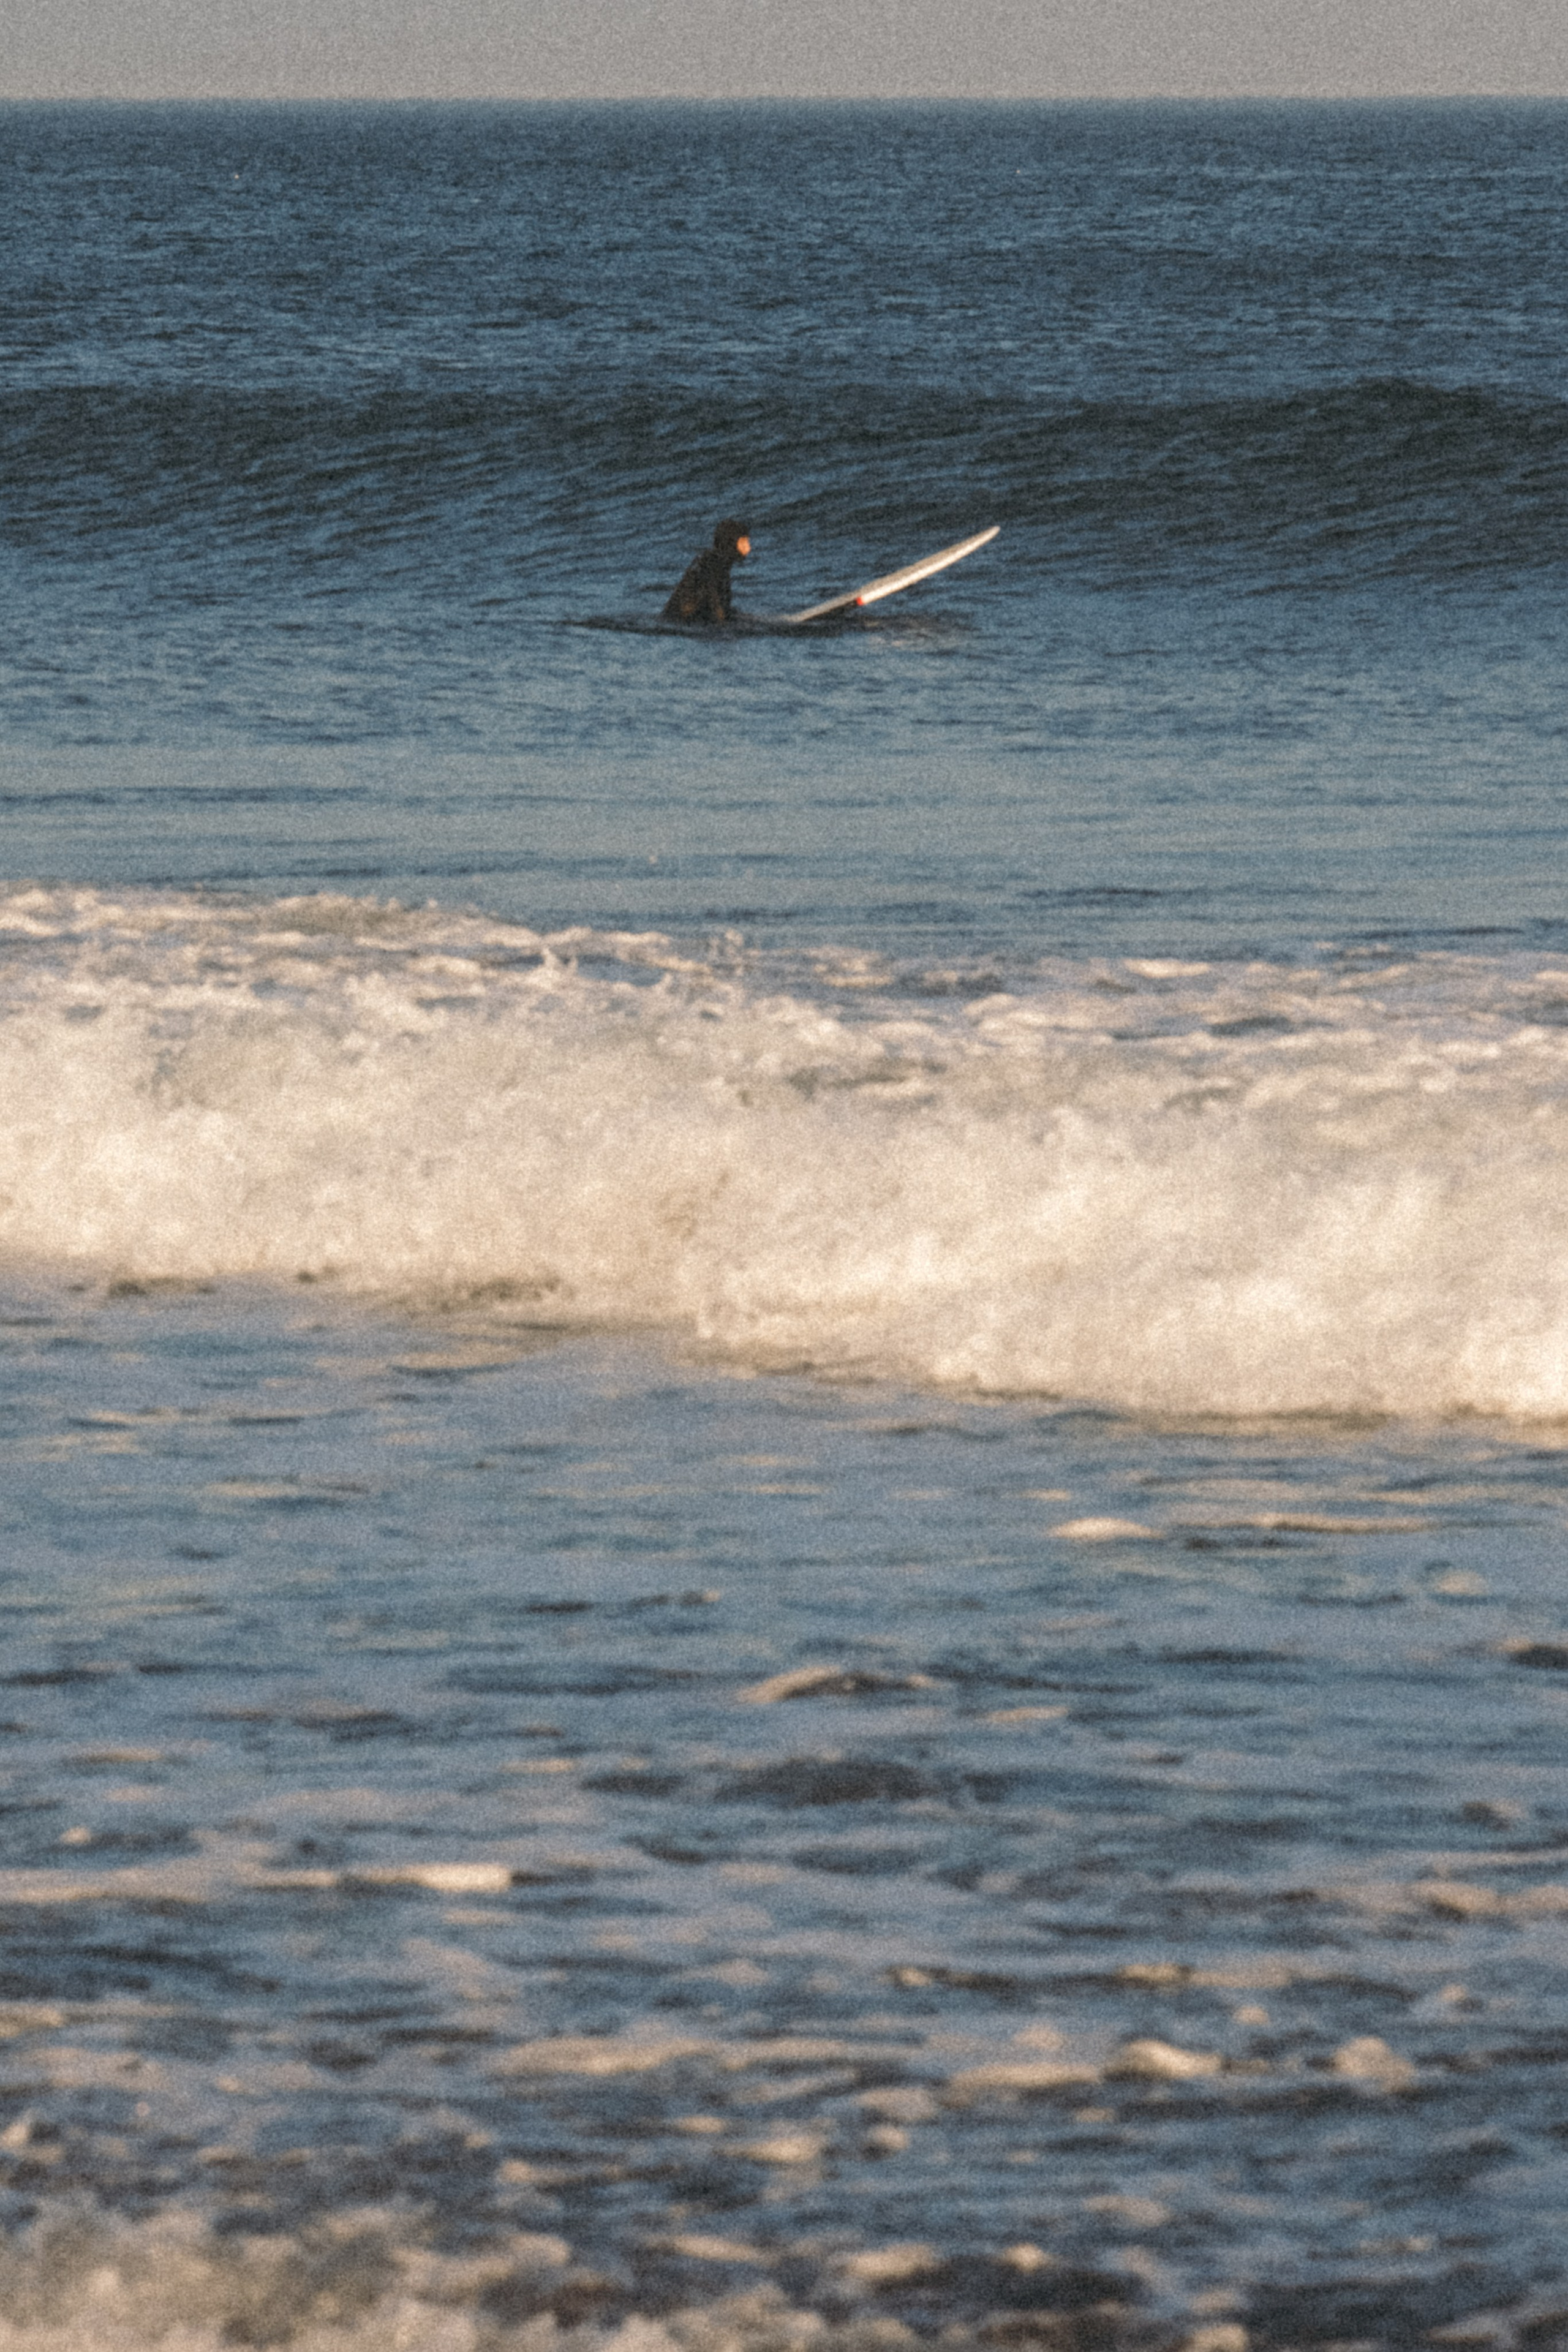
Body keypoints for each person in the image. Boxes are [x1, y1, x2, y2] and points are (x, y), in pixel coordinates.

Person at [663, 518, 751, 623]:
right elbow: (714, 604)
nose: (748, 548)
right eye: (743, 542)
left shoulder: (711, 562)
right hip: (686, 623)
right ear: (730, 543)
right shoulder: (714, 566)